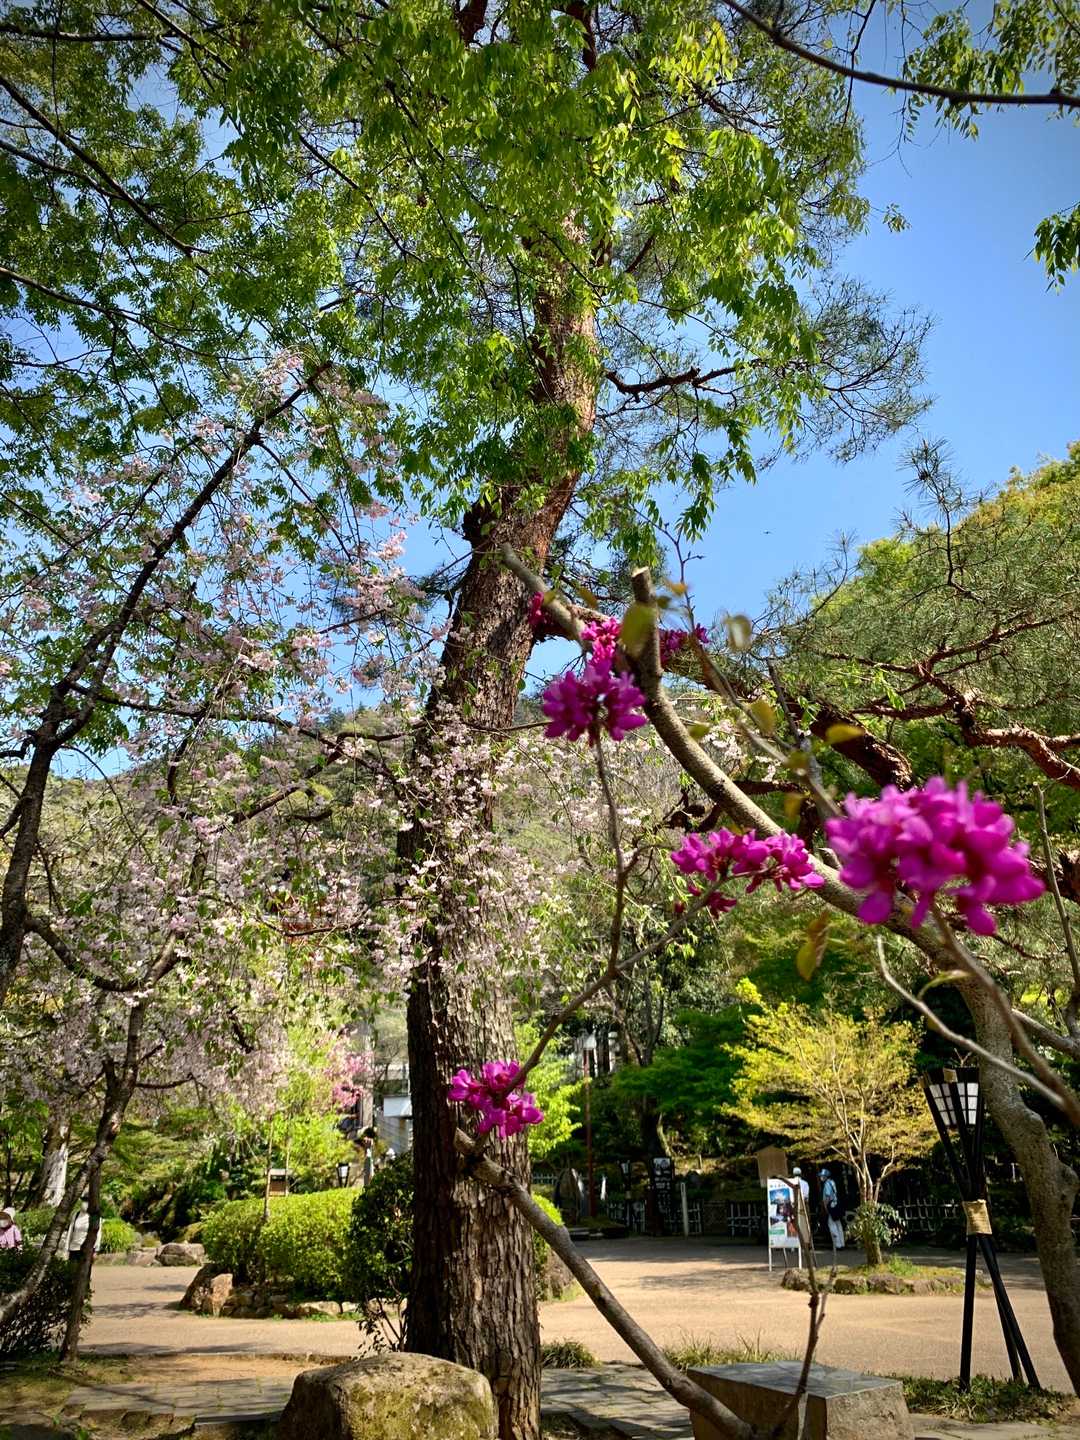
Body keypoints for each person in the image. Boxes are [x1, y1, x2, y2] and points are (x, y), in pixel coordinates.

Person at [819, 1168, 845, 1250]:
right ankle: (842, 1243)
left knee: (832, 1224)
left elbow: (827, 1196)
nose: (821, 1177)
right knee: (838, 1223)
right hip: (836, 1204)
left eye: (822, 1176)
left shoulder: (827, 1184)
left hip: (831, 1205)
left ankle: (837, 1245)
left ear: (826, 1176)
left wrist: (825, 1206)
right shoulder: (832, 1182)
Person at [791, 1167, 811, 1246]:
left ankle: (796, 1243)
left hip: (794, 1205)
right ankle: (807, 1243)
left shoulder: (790, 1182)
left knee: (795, 1224)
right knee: (806, 1224)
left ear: (793, 1174)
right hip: (804, 1204)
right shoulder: (805, 1183)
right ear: (801, 1174)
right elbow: (806, 1196)